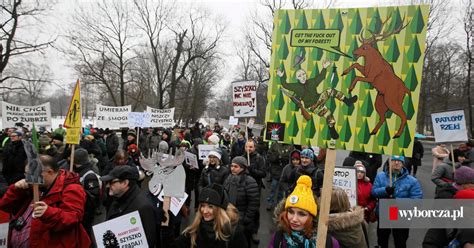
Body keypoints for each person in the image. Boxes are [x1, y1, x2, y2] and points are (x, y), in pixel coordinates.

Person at [0, 155, 91, 247]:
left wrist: (48, 212)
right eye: (26, 174)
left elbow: (72, 218)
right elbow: (6, 206)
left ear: (50, 172)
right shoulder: (33, 186)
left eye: (31, 175)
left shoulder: (71, 188)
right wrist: (15, 189)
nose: (28, 178)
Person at [276, 60, 357, 139]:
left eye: (303, 74)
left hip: (320, 99)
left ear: (306, 75)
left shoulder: (312, 82)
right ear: (297, 78)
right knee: (328, 114)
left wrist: (324, 67)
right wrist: (281, 76)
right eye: (300, 76)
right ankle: (332, 130)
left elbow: (321, 77)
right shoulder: (296, 86)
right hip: (313, 107)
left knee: (330, 90)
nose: (302, 77)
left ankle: (347, 101)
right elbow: (285, 85)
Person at [268, 175, 340, 248]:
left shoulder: (328, 243)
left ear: (312, 217)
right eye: (291, 212)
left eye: (301, 214)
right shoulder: (278, 238)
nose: (294, 219)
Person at [172, 184, 247, 248]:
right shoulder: (195, 230)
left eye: (210, 206)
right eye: (202, 206)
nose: (204, 211)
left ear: (220, 209)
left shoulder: (234, 233)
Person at [372, 155, 423, 248]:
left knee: (400, 240)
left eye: (399, 161)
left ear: (403, 164)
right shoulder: (380, 176)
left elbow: (417, 201)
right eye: (394, 160)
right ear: (389, 163)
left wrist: (397, 201)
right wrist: (385, 190)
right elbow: (374, 192)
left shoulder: (412, 181)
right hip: (385, 212)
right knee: (382, 239)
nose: (396, 163)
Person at [101, 166, 157, 247]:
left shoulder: (143, 207)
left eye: (111, 182)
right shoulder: (117, 197)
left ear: (125, 183)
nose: (108, 186)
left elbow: (148, 241)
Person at [223, 156, 260, 247]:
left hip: (242, 220)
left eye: (236, 167)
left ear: (243, 168)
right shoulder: (229, 178)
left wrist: (246, 219)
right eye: (232, 166)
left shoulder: (250, 181)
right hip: (229, 218)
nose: (232, 169)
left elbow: (253, 203)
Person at [72, 148, 102, 235]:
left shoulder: (89, 175)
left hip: (86, 213)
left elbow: (93, 196)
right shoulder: (78, 171)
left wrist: (77, 190)